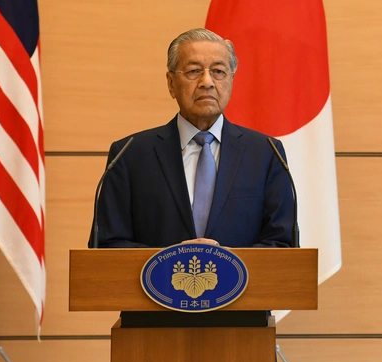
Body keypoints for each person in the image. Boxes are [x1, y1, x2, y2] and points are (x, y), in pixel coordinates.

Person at [89, 27, 295, 249]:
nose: (207, 82)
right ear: (171, 83)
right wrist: (171, 260)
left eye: (218, 71)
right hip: (151, 284)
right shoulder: (129, 155)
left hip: (244, 284)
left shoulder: (266, 154)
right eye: (193, 71)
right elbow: (107, 245)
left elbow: (281, 244)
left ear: (231, 81)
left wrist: (226, 263)